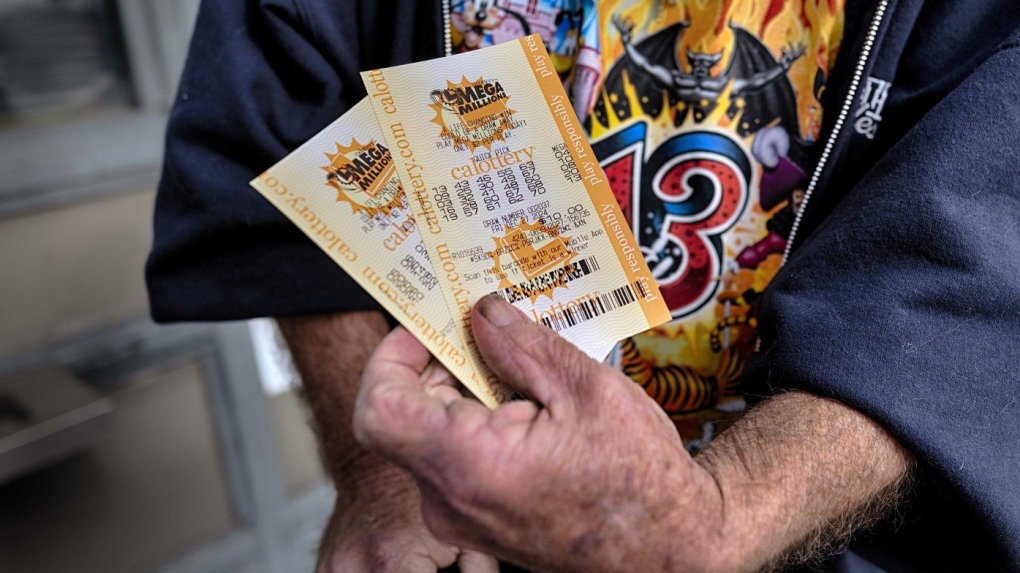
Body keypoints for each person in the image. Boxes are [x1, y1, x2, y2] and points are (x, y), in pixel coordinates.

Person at [147, 0, 1020, 571]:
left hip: (832, 537)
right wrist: (378, 470)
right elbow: (279, 128)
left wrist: (727, 516)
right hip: (456, 532)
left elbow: (984, 223)